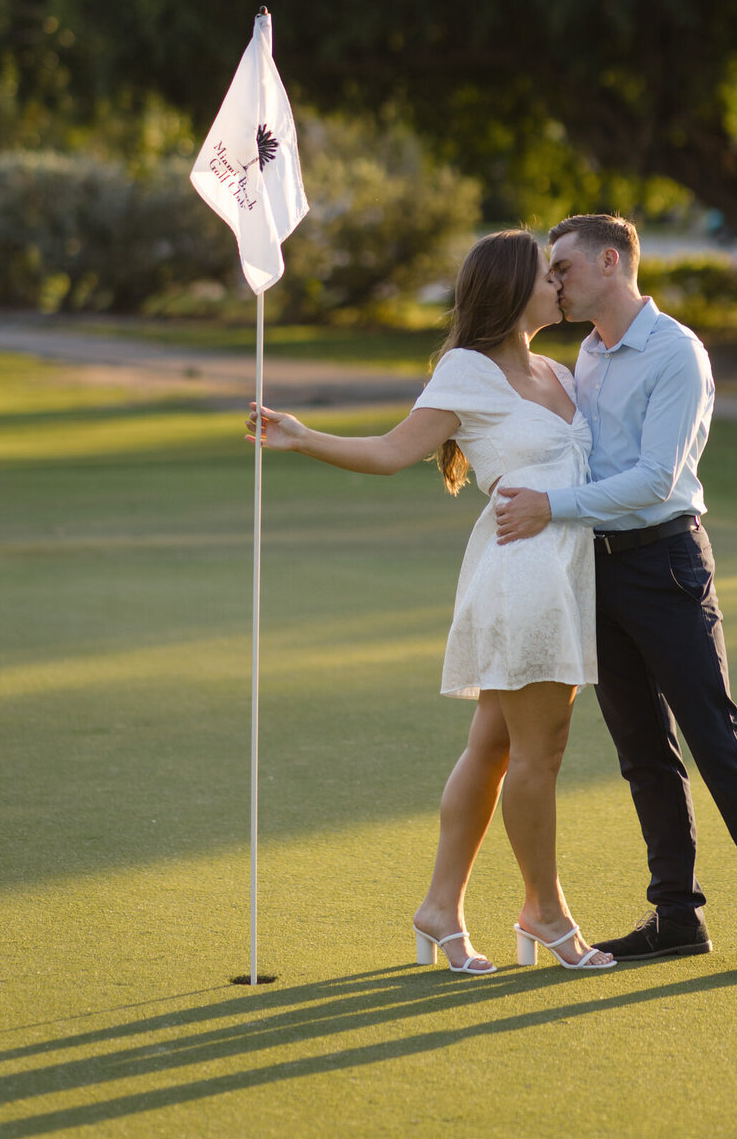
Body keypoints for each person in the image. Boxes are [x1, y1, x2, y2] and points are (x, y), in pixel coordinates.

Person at [246, 229, 614, 977]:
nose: (560, 285)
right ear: (513, 291)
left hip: (565, 573)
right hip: (525, 581)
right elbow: (391, 451)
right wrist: (301, 435)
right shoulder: (467, 372)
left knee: (494, 745)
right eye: (548, 276)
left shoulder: (562, 372)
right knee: (539, 754)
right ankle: (544, 912)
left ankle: (440, 909)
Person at [495, 214, 737, 975]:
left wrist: (551, 508)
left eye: (566, 266)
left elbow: (656, 480)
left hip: (667, 563)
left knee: (714, 738)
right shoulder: (586, 351)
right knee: (642, 750)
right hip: (597, 568)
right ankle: (677, 915)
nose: (556, 281)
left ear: (611, 262)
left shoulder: (676, 352)